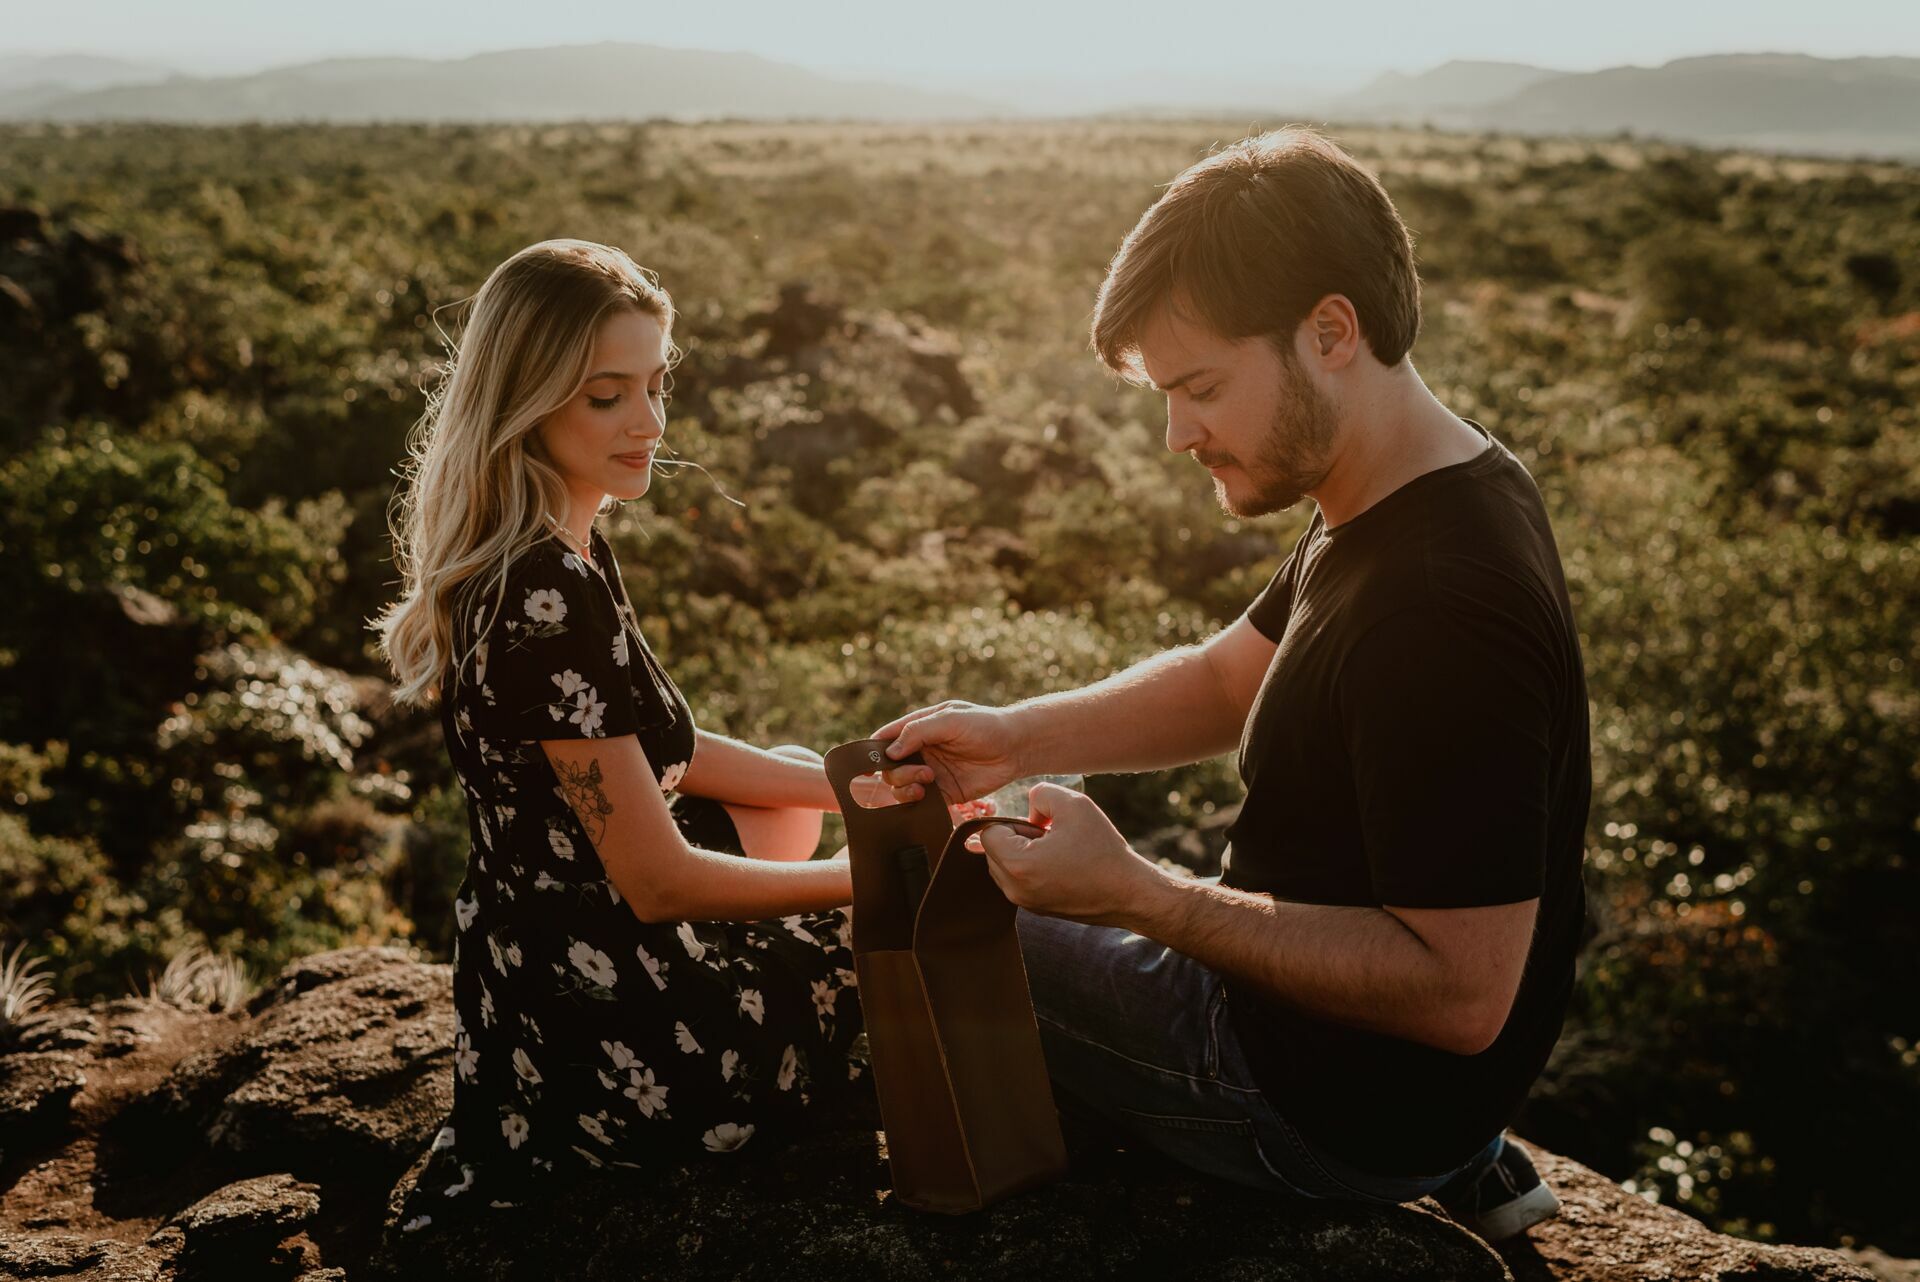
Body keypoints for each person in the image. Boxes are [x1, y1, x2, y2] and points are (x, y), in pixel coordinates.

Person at [875, 129, 1589, 1242]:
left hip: (1314, 1103)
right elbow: (1223, 684)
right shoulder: (1416, 481)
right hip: (1404, 1086)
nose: (1177, 434)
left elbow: (1461, 994)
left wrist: (1138, 895)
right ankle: (1466, 1151)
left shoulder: (1440, 603)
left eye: (1200, 387)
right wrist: (1015, 738)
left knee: (909, 904)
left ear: (1331, 331)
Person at [372, 239, 880, 1224]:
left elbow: (662, 749)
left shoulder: (554, 548)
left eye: (655, 385)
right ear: (524, 400)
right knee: (910, 922)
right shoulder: (547, 593)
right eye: (608, 396)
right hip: (632, 1048)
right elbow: (659, 884)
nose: (650, 423)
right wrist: (874, 876)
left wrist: (852, 786)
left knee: (785, 783)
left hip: (537, 994)